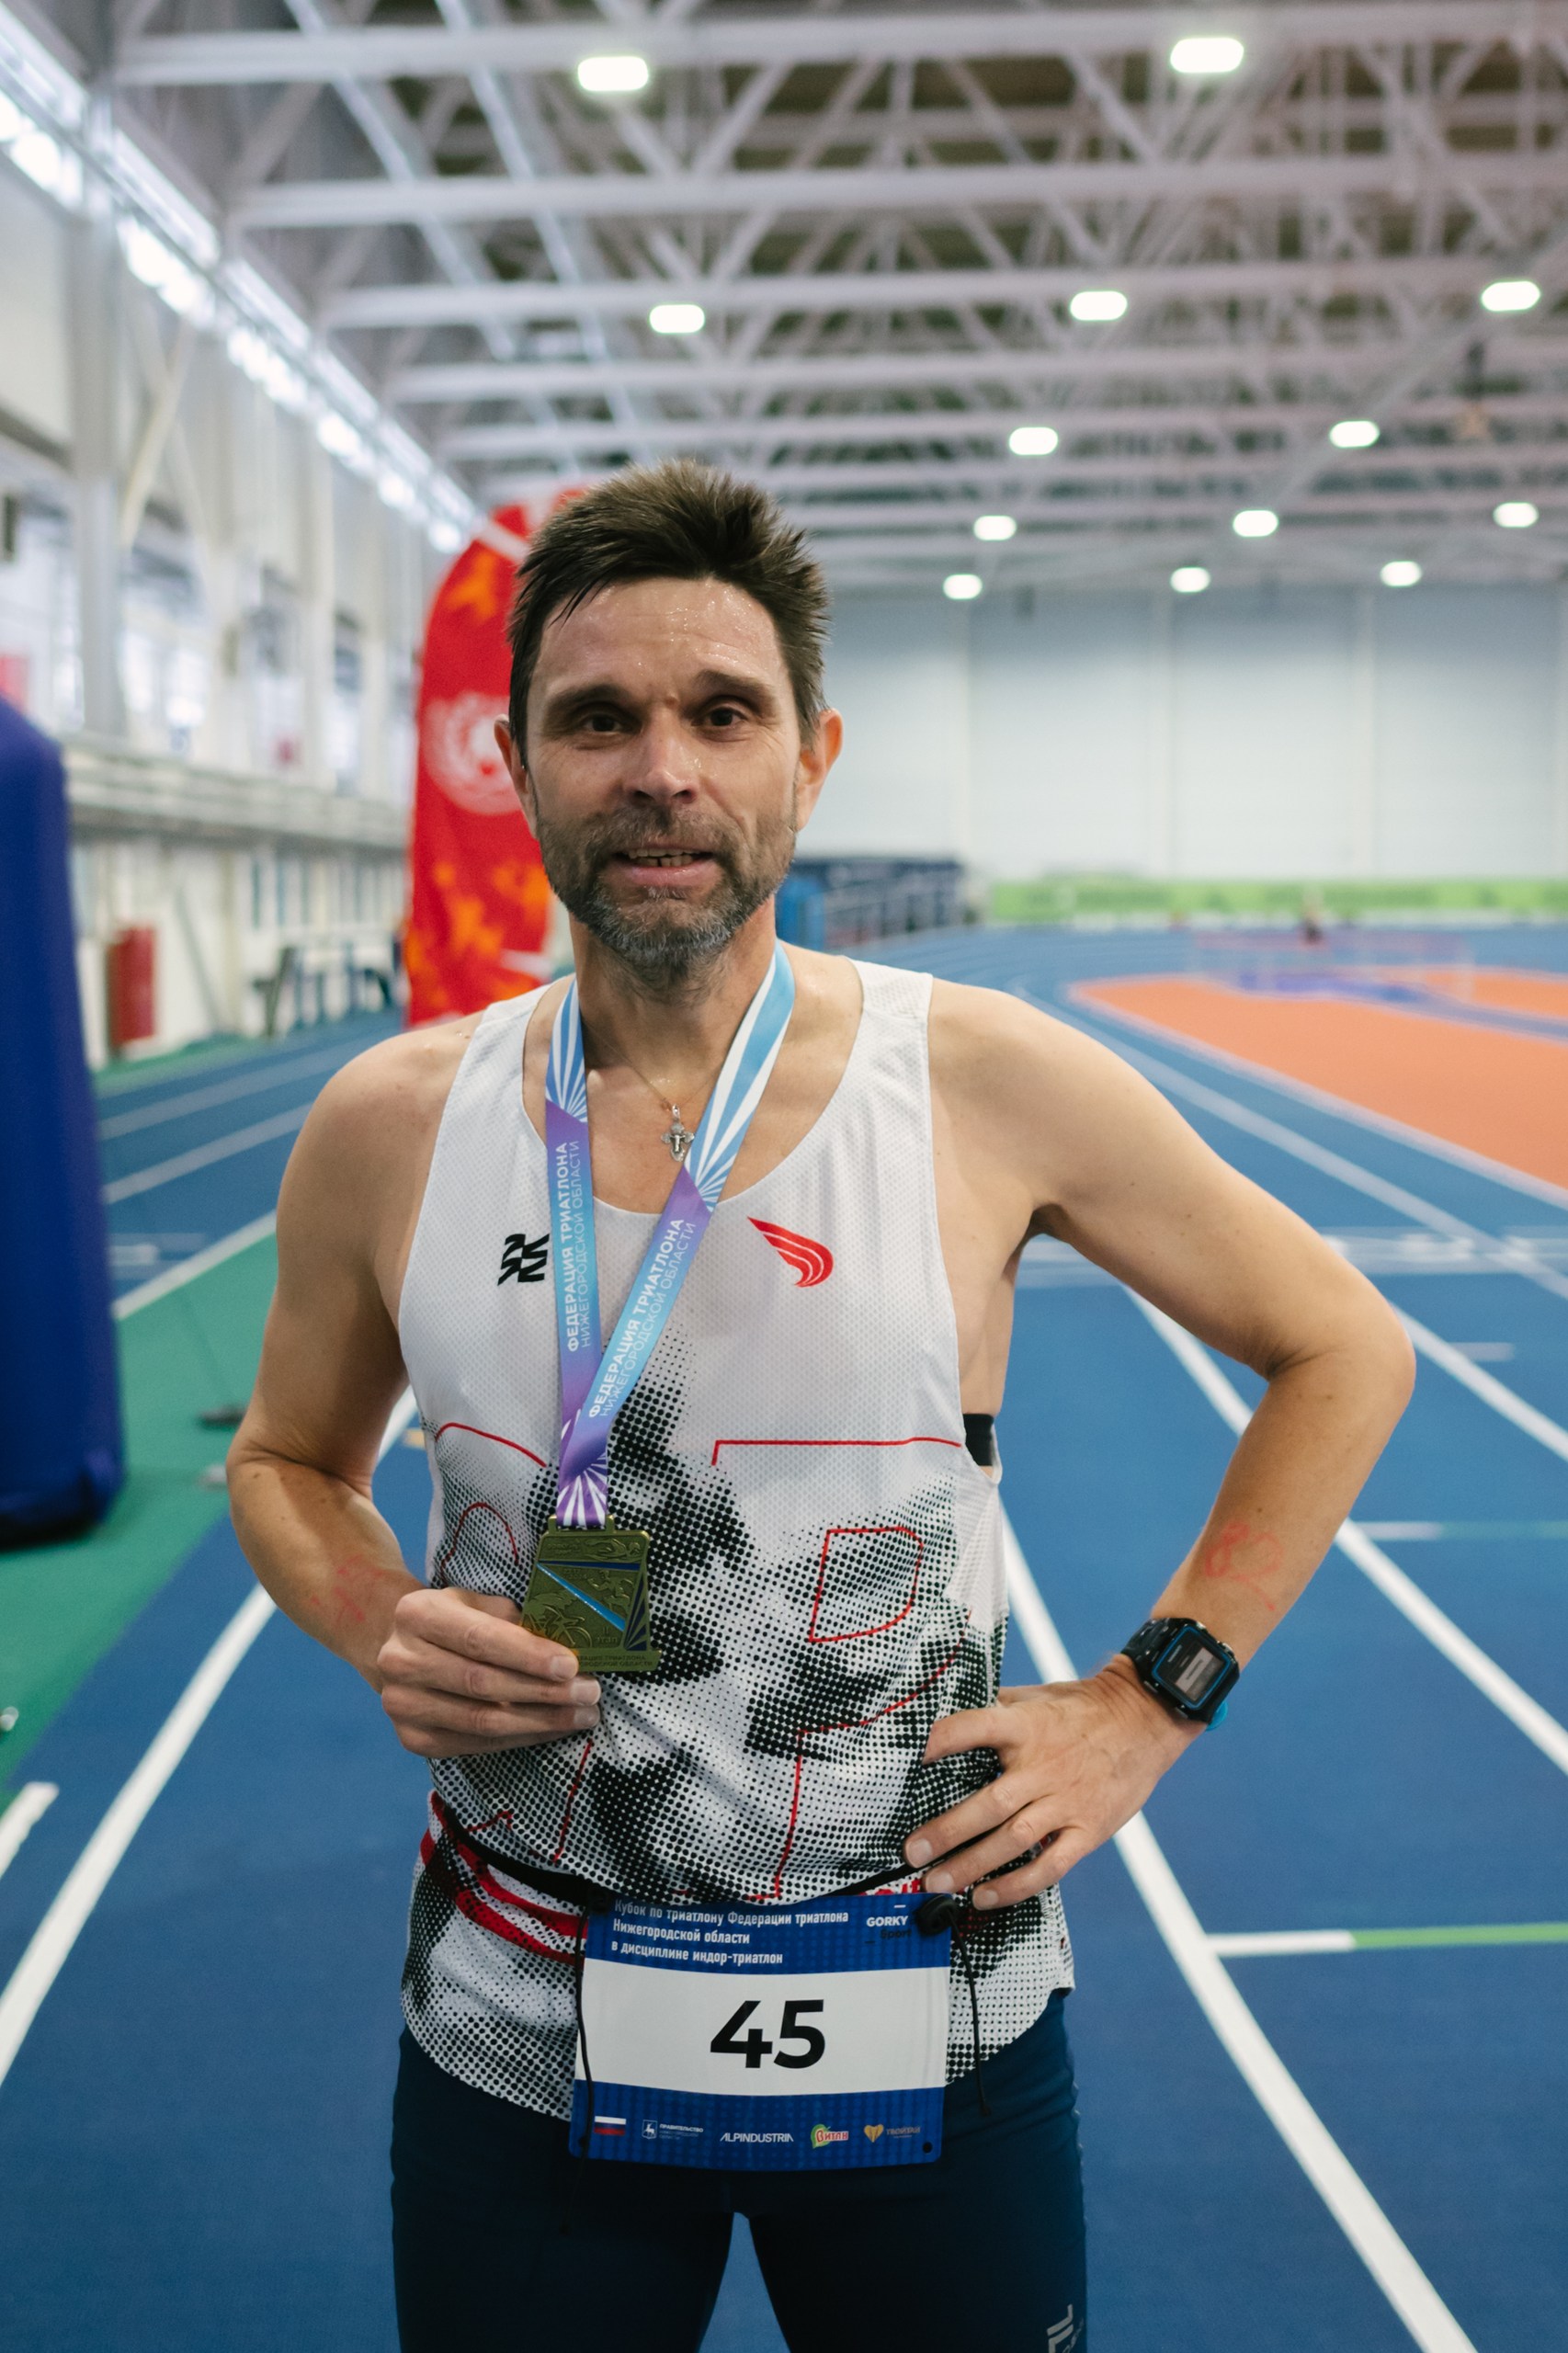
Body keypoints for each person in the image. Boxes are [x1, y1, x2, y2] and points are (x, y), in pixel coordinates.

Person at [228, 460, 1413, 2353]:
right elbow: (285, 1459)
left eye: (722, 713)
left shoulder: (985, 1083)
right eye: (597, 719)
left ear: (811, 755)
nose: (661, 770)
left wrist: (1146, 1700)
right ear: (516, 763)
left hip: (926, 1995)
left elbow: (1344, 1346)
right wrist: (380, 1616)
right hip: (519, 2013)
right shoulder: (389, 1124)